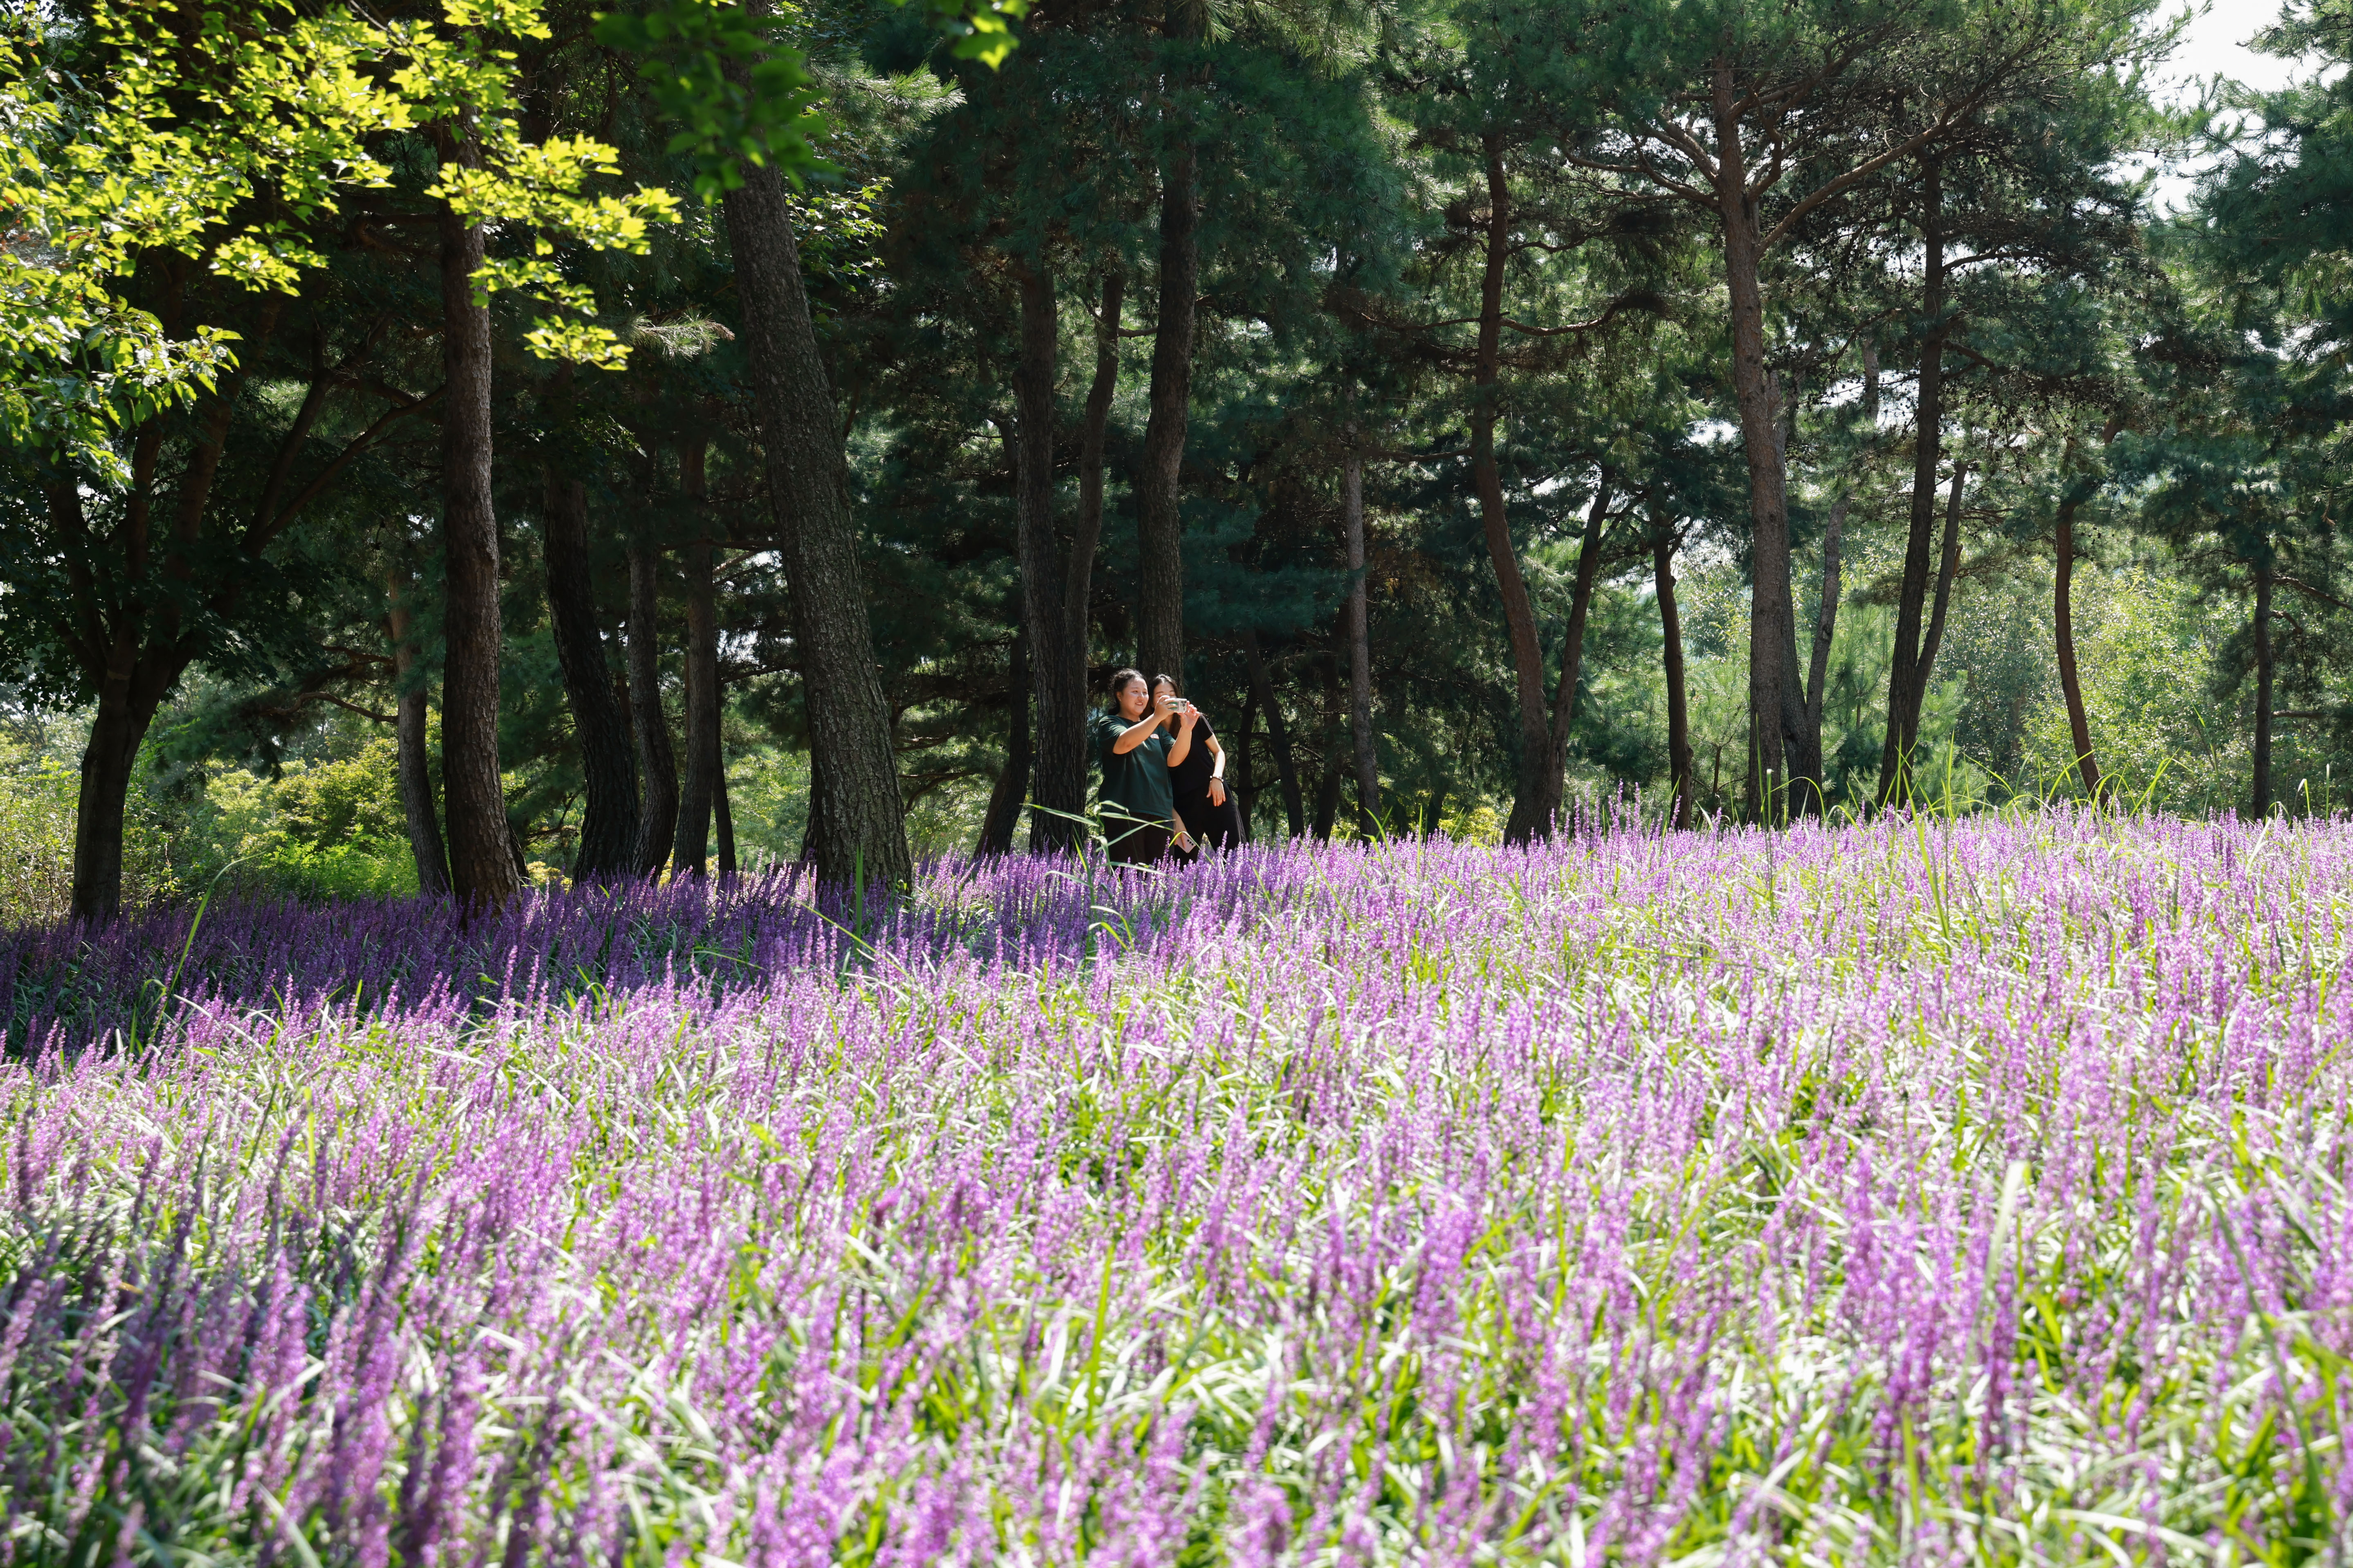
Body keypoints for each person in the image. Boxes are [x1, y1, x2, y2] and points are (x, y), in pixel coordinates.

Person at [1091, 667, 1192, 865]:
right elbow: (1123, 745)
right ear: (1119, 695)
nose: (1142, 697)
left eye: (1145, 693)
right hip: (1125, 811)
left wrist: (1187, 729)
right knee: (1128, 879)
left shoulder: (1158, 731)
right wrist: (1156, 718)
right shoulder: (1110, 723)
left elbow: (1175, 759)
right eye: (1135, 692)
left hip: (1160, 813)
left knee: (1158, 881)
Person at [1153, 674, 1244, 858]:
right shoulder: (1150, 733)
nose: (1168, 699)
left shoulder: (1195, 719)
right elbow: (1156, 783)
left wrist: (1217, 778)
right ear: (1152, 702)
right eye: (1161, 695)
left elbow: (1219, 752)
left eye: (1172, 694)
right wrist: (1175, 818)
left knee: (1236, 858)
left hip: (1215, 794)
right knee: (1180, 864)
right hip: (1183, 805)